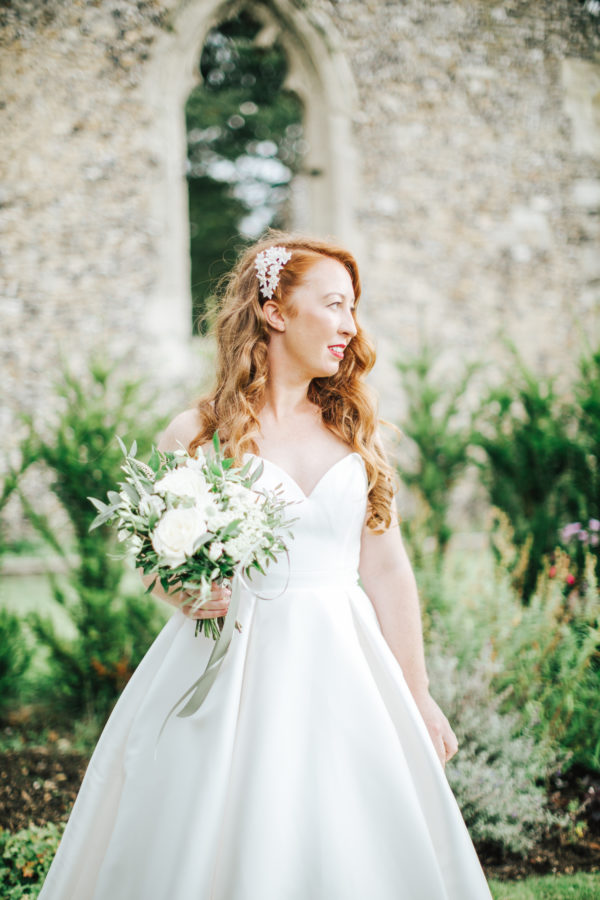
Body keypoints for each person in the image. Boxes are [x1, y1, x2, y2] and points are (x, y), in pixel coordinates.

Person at [39, 232, 492, 899]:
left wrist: (417, 694)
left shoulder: (354, 430)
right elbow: (159, 561)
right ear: (276, 311)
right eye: (335, 304)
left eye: (354, 308)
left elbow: (390, 572)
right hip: (228, 670)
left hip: (345, 667)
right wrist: (187, 595)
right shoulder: (195, 432)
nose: (351, 325)